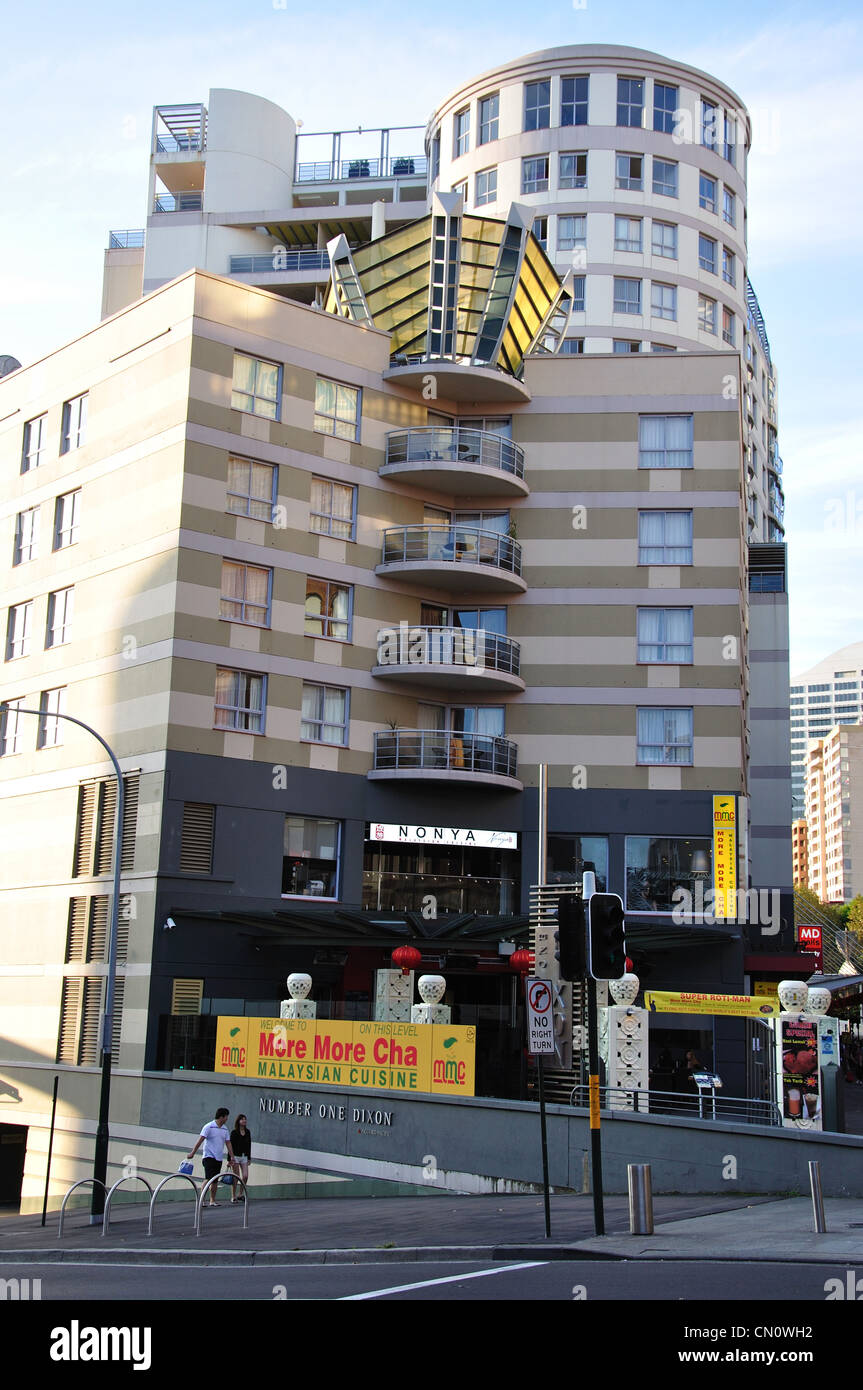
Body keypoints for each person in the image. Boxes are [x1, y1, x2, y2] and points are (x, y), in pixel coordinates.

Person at [187, 1107, 235, 1207]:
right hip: (208, 1156)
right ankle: (202, 1199)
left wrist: (232, 1157)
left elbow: (228, 1143)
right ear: (222, 1117)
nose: (227, 1119)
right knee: (208, 1178)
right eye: (226, 1117)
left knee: (215, 1180)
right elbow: (200, 1141)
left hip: (218, 1157)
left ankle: (212, 1200)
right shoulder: (209, 1126)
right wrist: (192, 1153)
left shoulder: (225, 1129)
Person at [229, 1114, 252, 1202]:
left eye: (245, 1119)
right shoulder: (234, 1132)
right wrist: (230, 1158)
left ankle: (240, 1194)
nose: (244, 1121)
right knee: (236, 1176)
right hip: (235, 1156)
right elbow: (230, 1145)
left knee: (245, 1176)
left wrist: (249, 1157)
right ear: (238, 1121)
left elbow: (249, 1144)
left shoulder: (247, 1132)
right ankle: (233, 1196)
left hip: (244, 1156)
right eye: (242, 1119)